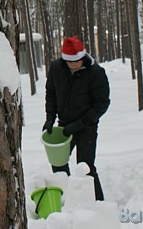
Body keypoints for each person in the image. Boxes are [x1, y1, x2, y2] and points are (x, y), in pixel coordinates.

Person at [43, 35, 110, 201]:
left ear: (83, 57)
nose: (73, 65)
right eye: (70, 62)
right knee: (58, 164)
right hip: (63, 125)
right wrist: (50, 118)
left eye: (77, 61)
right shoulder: (57, 68)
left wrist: (79, 124)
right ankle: (67, 199)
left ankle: (98, 203)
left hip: (87, 126)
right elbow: (51, 94)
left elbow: (101, 104)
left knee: (85, 167)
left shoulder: (96, 73)